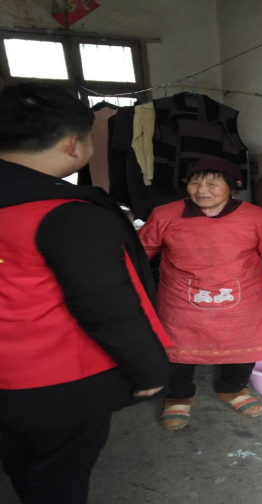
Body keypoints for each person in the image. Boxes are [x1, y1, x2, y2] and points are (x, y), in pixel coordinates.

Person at [0, 83, 172, 504]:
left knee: (22, 463)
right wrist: (150, 369)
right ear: (72, 144)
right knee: (59, 476)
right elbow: (108, 309)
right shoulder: (65, 215)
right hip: (53, 383)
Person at [138, 157, 262, 430]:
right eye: (195, 183)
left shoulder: (255, 217)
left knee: (245, 345)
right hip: (182, 298)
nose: (202, 190)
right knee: (176, 349)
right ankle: (179, 395)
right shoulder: (164, 215)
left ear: (233, 187)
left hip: (243, 296)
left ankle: (232, 388)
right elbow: (140, 251)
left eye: (212, 183)